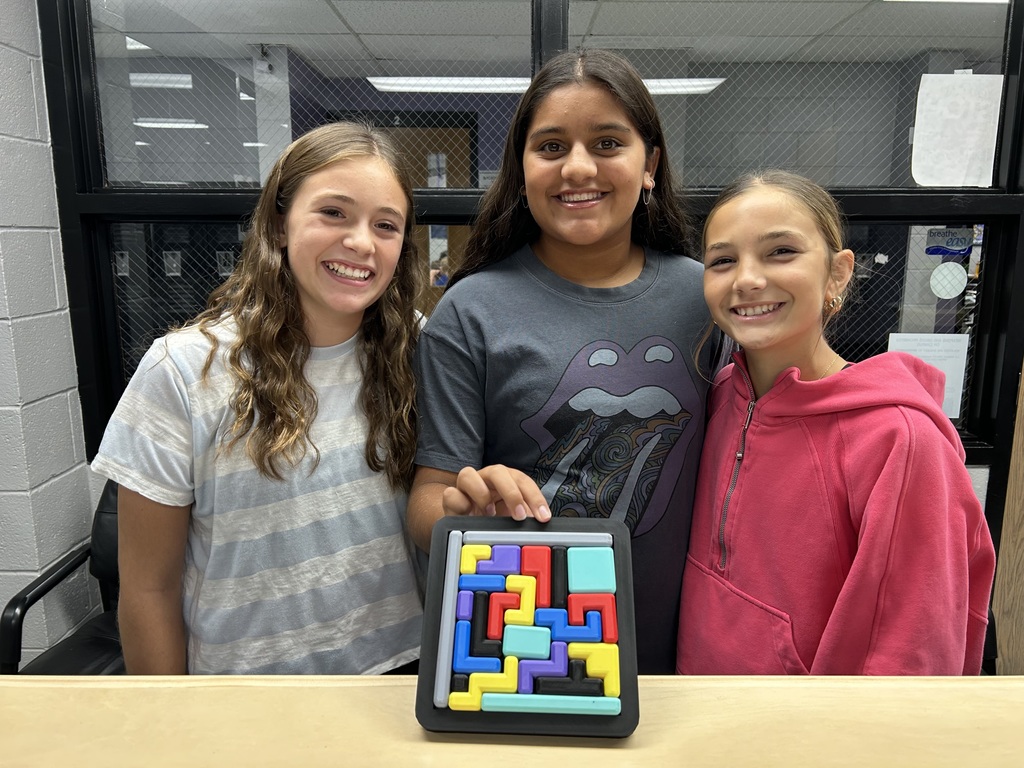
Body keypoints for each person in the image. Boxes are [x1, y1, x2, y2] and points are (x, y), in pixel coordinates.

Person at [408, 48, 721, 674]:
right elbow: (429, 499)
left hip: (692, 653)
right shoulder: (470, 312)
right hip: (529, 652)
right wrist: (463, 514)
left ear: (650, 164)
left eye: (608, 142)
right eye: (550, 147)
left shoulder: (711, 297)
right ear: (521, 168)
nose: (578, 167)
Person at [91, 122, 425, 675]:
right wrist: (168, 730)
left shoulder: (419, 349)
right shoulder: (182, 370)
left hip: (398, 678)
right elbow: (148, 588)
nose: (362, 242)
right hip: (245, 695)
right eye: (334, 213)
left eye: (385, 225)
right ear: (279, 223)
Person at [677, 170, 996, 675]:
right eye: (723, 260)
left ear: (839, 272)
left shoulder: (900, 440)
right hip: (697, 716)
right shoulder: (715, 398)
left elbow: (915, 652)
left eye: (781, 252)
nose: (748, 279)